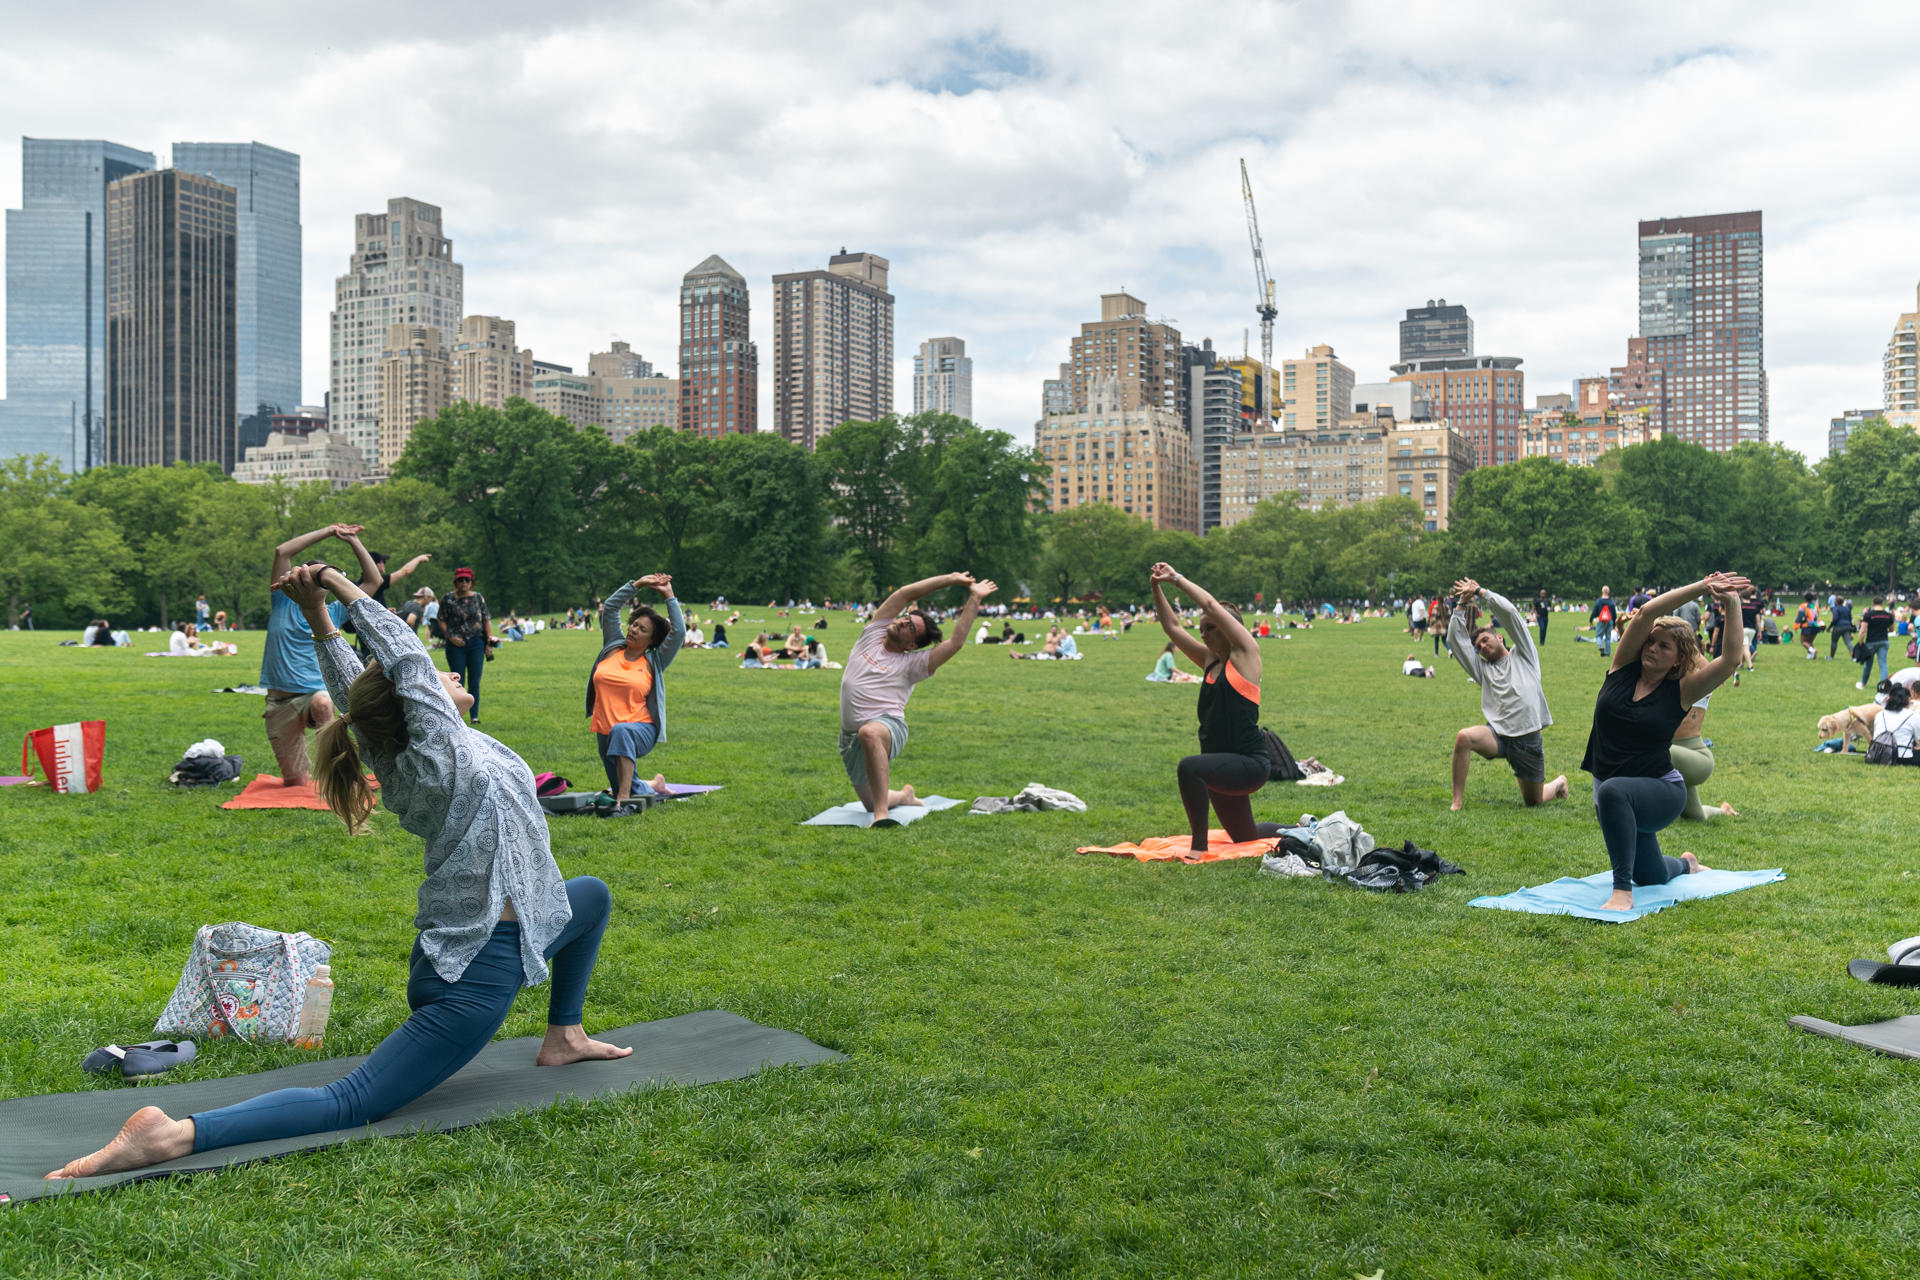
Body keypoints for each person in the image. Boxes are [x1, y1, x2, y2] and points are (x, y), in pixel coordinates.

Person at [44, 562, 632, 1185]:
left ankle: (564, 1036)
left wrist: (322, 619)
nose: (447, 674)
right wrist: (334, 581)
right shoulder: (442, 752)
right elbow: (402, 659)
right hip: (476, 974)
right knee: (355, 1101)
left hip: (477, 941)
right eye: (435, 677)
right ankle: (169, 1136)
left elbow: (361, 691)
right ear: (419, 702)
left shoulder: (402, 743)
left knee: (589, 897)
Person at [1582, 572, 1749, 914]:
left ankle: (1621, 892)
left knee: (1613, 792)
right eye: (1651, 642)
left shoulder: (1682, 691)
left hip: (1660, 791)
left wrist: (1732, 603)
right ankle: (1687, 864)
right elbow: (1644, 615)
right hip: (1616, 790)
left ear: (1678, 659)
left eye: (1664, 646)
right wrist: (1701, 587)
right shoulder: (1621, 668)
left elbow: (1730, 661)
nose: (1653, 648)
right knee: (1653, 875)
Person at [837, 571, 995, 825]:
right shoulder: (873, 633)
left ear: (912, 645)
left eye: (910, 627)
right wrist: (951, 579)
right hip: (849, 737)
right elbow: (904, 594)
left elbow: (955, 643)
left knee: (870, 733)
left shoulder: (913, 664)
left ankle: (882, 816)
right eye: (905, 619)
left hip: (887, 726)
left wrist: (974, 598)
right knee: (868, 800)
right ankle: (904, 796)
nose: (901, 622)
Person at [1149, 562, 1284, 854]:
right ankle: (1302, 829)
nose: (1204, 635)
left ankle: (1197, 850)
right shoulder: (1210, 660)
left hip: (1249, 764)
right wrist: (1156, 587)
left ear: (1228, 628)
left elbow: (1209, 603)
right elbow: (1172, 627)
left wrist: (1176, 579)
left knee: (1188, 768)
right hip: (1220, 765)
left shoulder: (1246, 656)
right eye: (1201, 629)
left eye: (1211, 628)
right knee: (1246, 838)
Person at [262, 524, 378, 786]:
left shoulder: (333, 612)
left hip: (316, 695)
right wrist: (329, 531)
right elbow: (282, 551)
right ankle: (304, 773)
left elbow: (373, 582)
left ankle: (336, 771)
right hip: (279, 701)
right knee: (295, 783)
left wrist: (353, 541)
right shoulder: (282, 600)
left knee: (324, 704)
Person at [1447, 579, 1569, 810]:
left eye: (1485, 640)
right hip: (1497, 735)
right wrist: (1461, 605)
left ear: (1499, 637)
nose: (1482, 646)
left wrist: (1481, 592)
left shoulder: (1524, 655)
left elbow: (1511, 614)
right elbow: (1455, 641)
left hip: (1527, 740)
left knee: (1533, 802)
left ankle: (1559, 783)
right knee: (1464, 737)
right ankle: (1457, 801)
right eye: (1478, 646)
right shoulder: (1482, 670)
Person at [586, 573, 684, 812]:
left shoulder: (654, 660)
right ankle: (653, 784)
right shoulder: (613, 647)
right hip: (606, 730)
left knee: (623, 786)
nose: (634, 630)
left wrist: (669, 595)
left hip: (641, 728)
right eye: (634, 624)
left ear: (652, 639)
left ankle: (625, 800)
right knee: (623, 780)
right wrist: (638, 584)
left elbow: (679, 632)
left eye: (642, 629)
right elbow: (610, 609)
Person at [1670, 694, 1738, 821]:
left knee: (1654, 752)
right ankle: (1723, 810)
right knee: (1695, 816)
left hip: (1696, 756)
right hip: (1675, 757)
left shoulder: (1700, 676)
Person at [440, 567, 494, 724]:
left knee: (475, 681)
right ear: (455, 582)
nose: (463, 583)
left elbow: (486, 620)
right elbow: (441, 620)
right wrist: (450, 637)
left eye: (467, 580)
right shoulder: (448, 599)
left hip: (476, 642)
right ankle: (458, 716)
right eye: (460, 580)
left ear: (472, 582)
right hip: (455, 644)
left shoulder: (478, 598)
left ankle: (474, 716)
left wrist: (489, 643)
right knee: (457, 680)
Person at [1876, 683, 1920, 762]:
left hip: (1878, 755)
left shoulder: (1880, 714)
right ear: (1908, 700)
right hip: (1902, 757)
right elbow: (1918, 739)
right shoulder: (1913, 716)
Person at [1859, 596, 1895, 689]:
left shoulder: (1868, 615)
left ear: (1873, 603)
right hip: (1884, 641)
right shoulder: (1888, 615)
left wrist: (1860, 642)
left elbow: (1863, 630)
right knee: (1883, 664)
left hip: (1871, 642)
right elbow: (1892, 629)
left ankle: (1863, 684)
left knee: (1868, 664)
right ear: (1882, 604)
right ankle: (1884, 687)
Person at [1583, 588, 1617, 656]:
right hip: (1609, 620)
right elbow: (1614, 614)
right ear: (1608, 592)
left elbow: (1594, 612)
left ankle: (1600, 646)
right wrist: (1614, 624)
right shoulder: (1611, 601)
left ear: (1602, 591)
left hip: (1601, 620)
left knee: (1598, 636)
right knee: (1608, 637)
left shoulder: (1599, 601)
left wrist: (1591, 620)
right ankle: (1608, 652)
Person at [1795, 594, 1822, 659]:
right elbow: (1817, 614)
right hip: (1816, 625)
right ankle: (1810, 655)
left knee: (1803, 641)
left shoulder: (1803, 606)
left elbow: (1800, 616)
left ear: (1805, 598)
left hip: (1807, 625)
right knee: (1809, 641)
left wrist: (1796, 625)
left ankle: (1813, 650)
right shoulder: (1815, 606)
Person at [1829, 595, 1856, 660]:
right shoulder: (1847, 609)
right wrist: (1852, 628)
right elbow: (1850, 619)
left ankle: (1831, 657)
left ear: (1836, 602)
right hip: (1847, 627)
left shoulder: (1835, 609)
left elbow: (1835, 619)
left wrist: (1830, 627)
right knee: (1848, 642)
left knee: (1834, 642)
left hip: (1838, 627)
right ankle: (1853, 657)